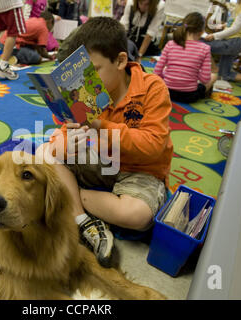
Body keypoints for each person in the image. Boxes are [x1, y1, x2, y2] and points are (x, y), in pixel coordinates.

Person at [38, 17, 173, 267]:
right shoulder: (86, 91)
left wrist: (99, 126)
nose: (87, 80)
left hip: (140, 170)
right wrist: (64, 145)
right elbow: (65, 134)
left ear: (121, 61)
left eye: (95, 70)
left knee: (138, 216)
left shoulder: (153, 88)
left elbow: (153, 146)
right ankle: (83, 221)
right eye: (82, 74)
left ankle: (74, 198)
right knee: (45, 151)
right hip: (100, 161)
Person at [154, 12, 217, 103]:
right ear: (202, 32)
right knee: (214, 75)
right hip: (189, 96)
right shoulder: (205, 49)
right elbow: (205, 79)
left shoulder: (170, 44)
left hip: (166, 92)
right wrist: (193, 71)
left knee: (166, 68)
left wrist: (169, 76)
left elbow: (157, 72)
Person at [204, 0, 241, 90]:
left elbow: (235, 29)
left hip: (232, 42)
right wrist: (223, 25)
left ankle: (214, 69)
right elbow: (234, 22)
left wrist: (214, 36)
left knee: (201, 45)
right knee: (225, 74)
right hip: (235, 42)